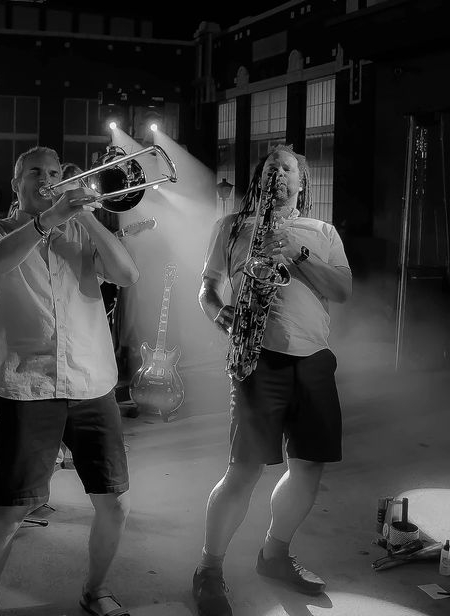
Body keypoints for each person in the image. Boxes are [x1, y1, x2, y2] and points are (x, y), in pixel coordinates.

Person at [0, 146, 140, 616]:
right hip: (27, 387)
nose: (46, 179)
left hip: (90, 383)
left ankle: (95, 591)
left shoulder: (80, 230)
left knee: (114, 503)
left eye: (54, 172)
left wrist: (85, 217)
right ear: (16, 183)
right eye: (35, 173)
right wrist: (49, 220)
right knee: (10, 510)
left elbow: (127, 275)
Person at [191, 145, 352, 616]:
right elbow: (207, 286)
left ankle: (275, 554)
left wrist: (296, 252)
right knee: (243, 471)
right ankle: (208, 569)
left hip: (313, 361)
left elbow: (342, 290)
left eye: (287, 167)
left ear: (302, 182)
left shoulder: (322, 232)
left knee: (308, 468)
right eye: (270, 166)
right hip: (257, 361)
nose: (277, 172)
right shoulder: (232, 227)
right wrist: (217, 311)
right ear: (260, 178)